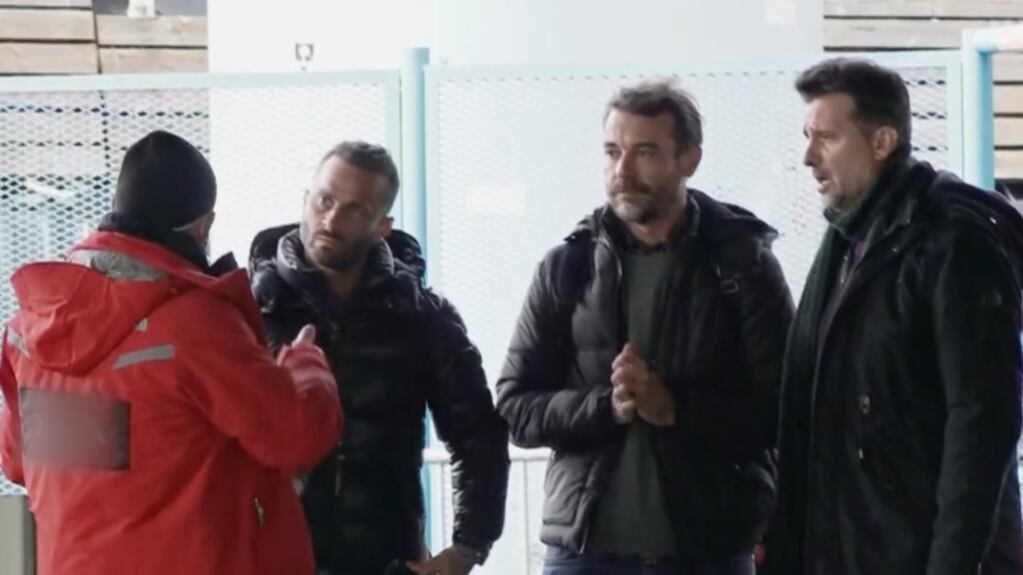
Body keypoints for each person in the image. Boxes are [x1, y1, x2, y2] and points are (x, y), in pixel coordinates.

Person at [0, 130, 342, 575]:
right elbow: (293, 436)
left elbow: (17, 460)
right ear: (204, 227)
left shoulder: (32, 328)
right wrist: (306, 365)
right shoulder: (193, 326)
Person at [495, 80, 795, 575]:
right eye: (612, 152)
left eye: (646, 152)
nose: (623, 171)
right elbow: (515, 408)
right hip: (584, 556)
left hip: (709, 553)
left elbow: (785, 411)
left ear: (689, 160)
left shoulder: (744, 266)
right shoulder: (567, 266)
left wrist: (674, 408)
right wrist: (604, 407)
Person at [763, 57, 1023, 575]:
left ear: (882, 142)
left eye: (827, 138)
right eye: (807, 137)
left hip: (917, 554)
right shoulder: (849, 241)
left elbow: (981, 422)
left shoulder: (952, 242)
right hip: (854, 549)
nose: (808, 157)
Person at [248, 141, 510, 575]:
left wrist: (465, 549)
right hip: (273, 556)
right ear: (305, 199)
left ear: (381, 227)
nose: (331, 220)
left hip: (386, 558)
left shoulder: (420, 316)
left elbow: (479, 435)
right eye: (325, 200)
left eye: (354, 209)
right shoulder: (250, 310)